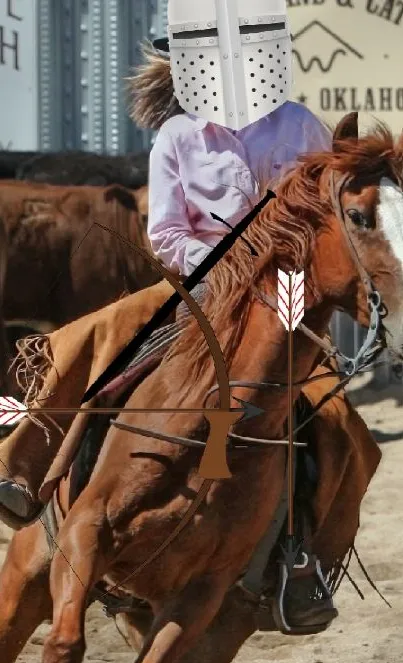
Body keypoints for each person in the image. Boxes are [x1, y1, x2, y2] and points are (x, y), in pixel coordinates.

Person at [0, 4, 380, 629]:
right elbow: (166, 234)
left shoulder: (300, 127)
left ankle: (299, 558)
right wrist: (227, 264)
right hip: (200, 286)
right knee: (100, 338)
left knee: (329, 411)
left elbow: (326, 219)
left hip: (286, 287)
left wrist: (275, 266)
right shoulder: (177, 137)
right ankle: (24, 458)